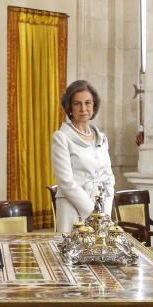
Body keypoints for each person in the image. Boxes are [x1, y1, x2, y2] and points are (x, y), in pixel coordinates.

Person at [51, 80, 115, 232]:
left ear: (94, 106)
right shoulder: (61, 137)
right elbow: (66, 182)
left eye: (88, 103)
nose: (83, 108)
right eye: (77, 103)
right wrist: (92, 213)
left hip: (101, 210)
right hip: (72, 209)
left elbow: (109, 178)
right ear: (69, 107)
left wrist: (104, 213)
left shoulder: (101, 138)